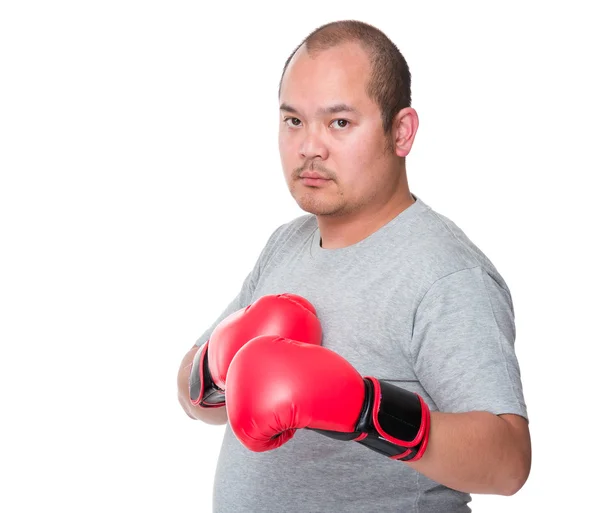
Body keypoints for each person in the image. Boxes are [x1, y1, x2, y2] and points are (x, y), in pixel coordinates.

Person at [177, 19, 531, 513]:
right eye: (293, 121)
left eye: (339, 122)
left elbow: (509, 462)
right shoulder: (286, 244)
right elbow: (192, 399)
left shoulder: (446, 274)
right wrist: (216, 368)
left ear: (401, 132)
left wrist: (364, 410)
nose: (309, 147)